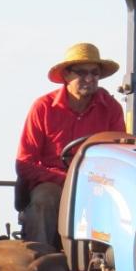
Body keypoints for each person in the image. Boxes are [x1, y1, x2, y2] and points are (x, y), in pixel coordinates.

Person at [16, 42, 127, 246]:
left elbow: (120, 155)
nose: (90, 79)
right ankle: (41, 260)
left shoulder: (111, 109)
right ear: (66, 75)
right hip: (54, 183)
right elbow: (25, 163)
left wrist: (94, 180)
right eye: (82, 73)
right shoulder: (43, 108)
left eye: (95, 73)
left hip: (96, 183)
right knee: (45, 199)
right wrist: (67, 180)